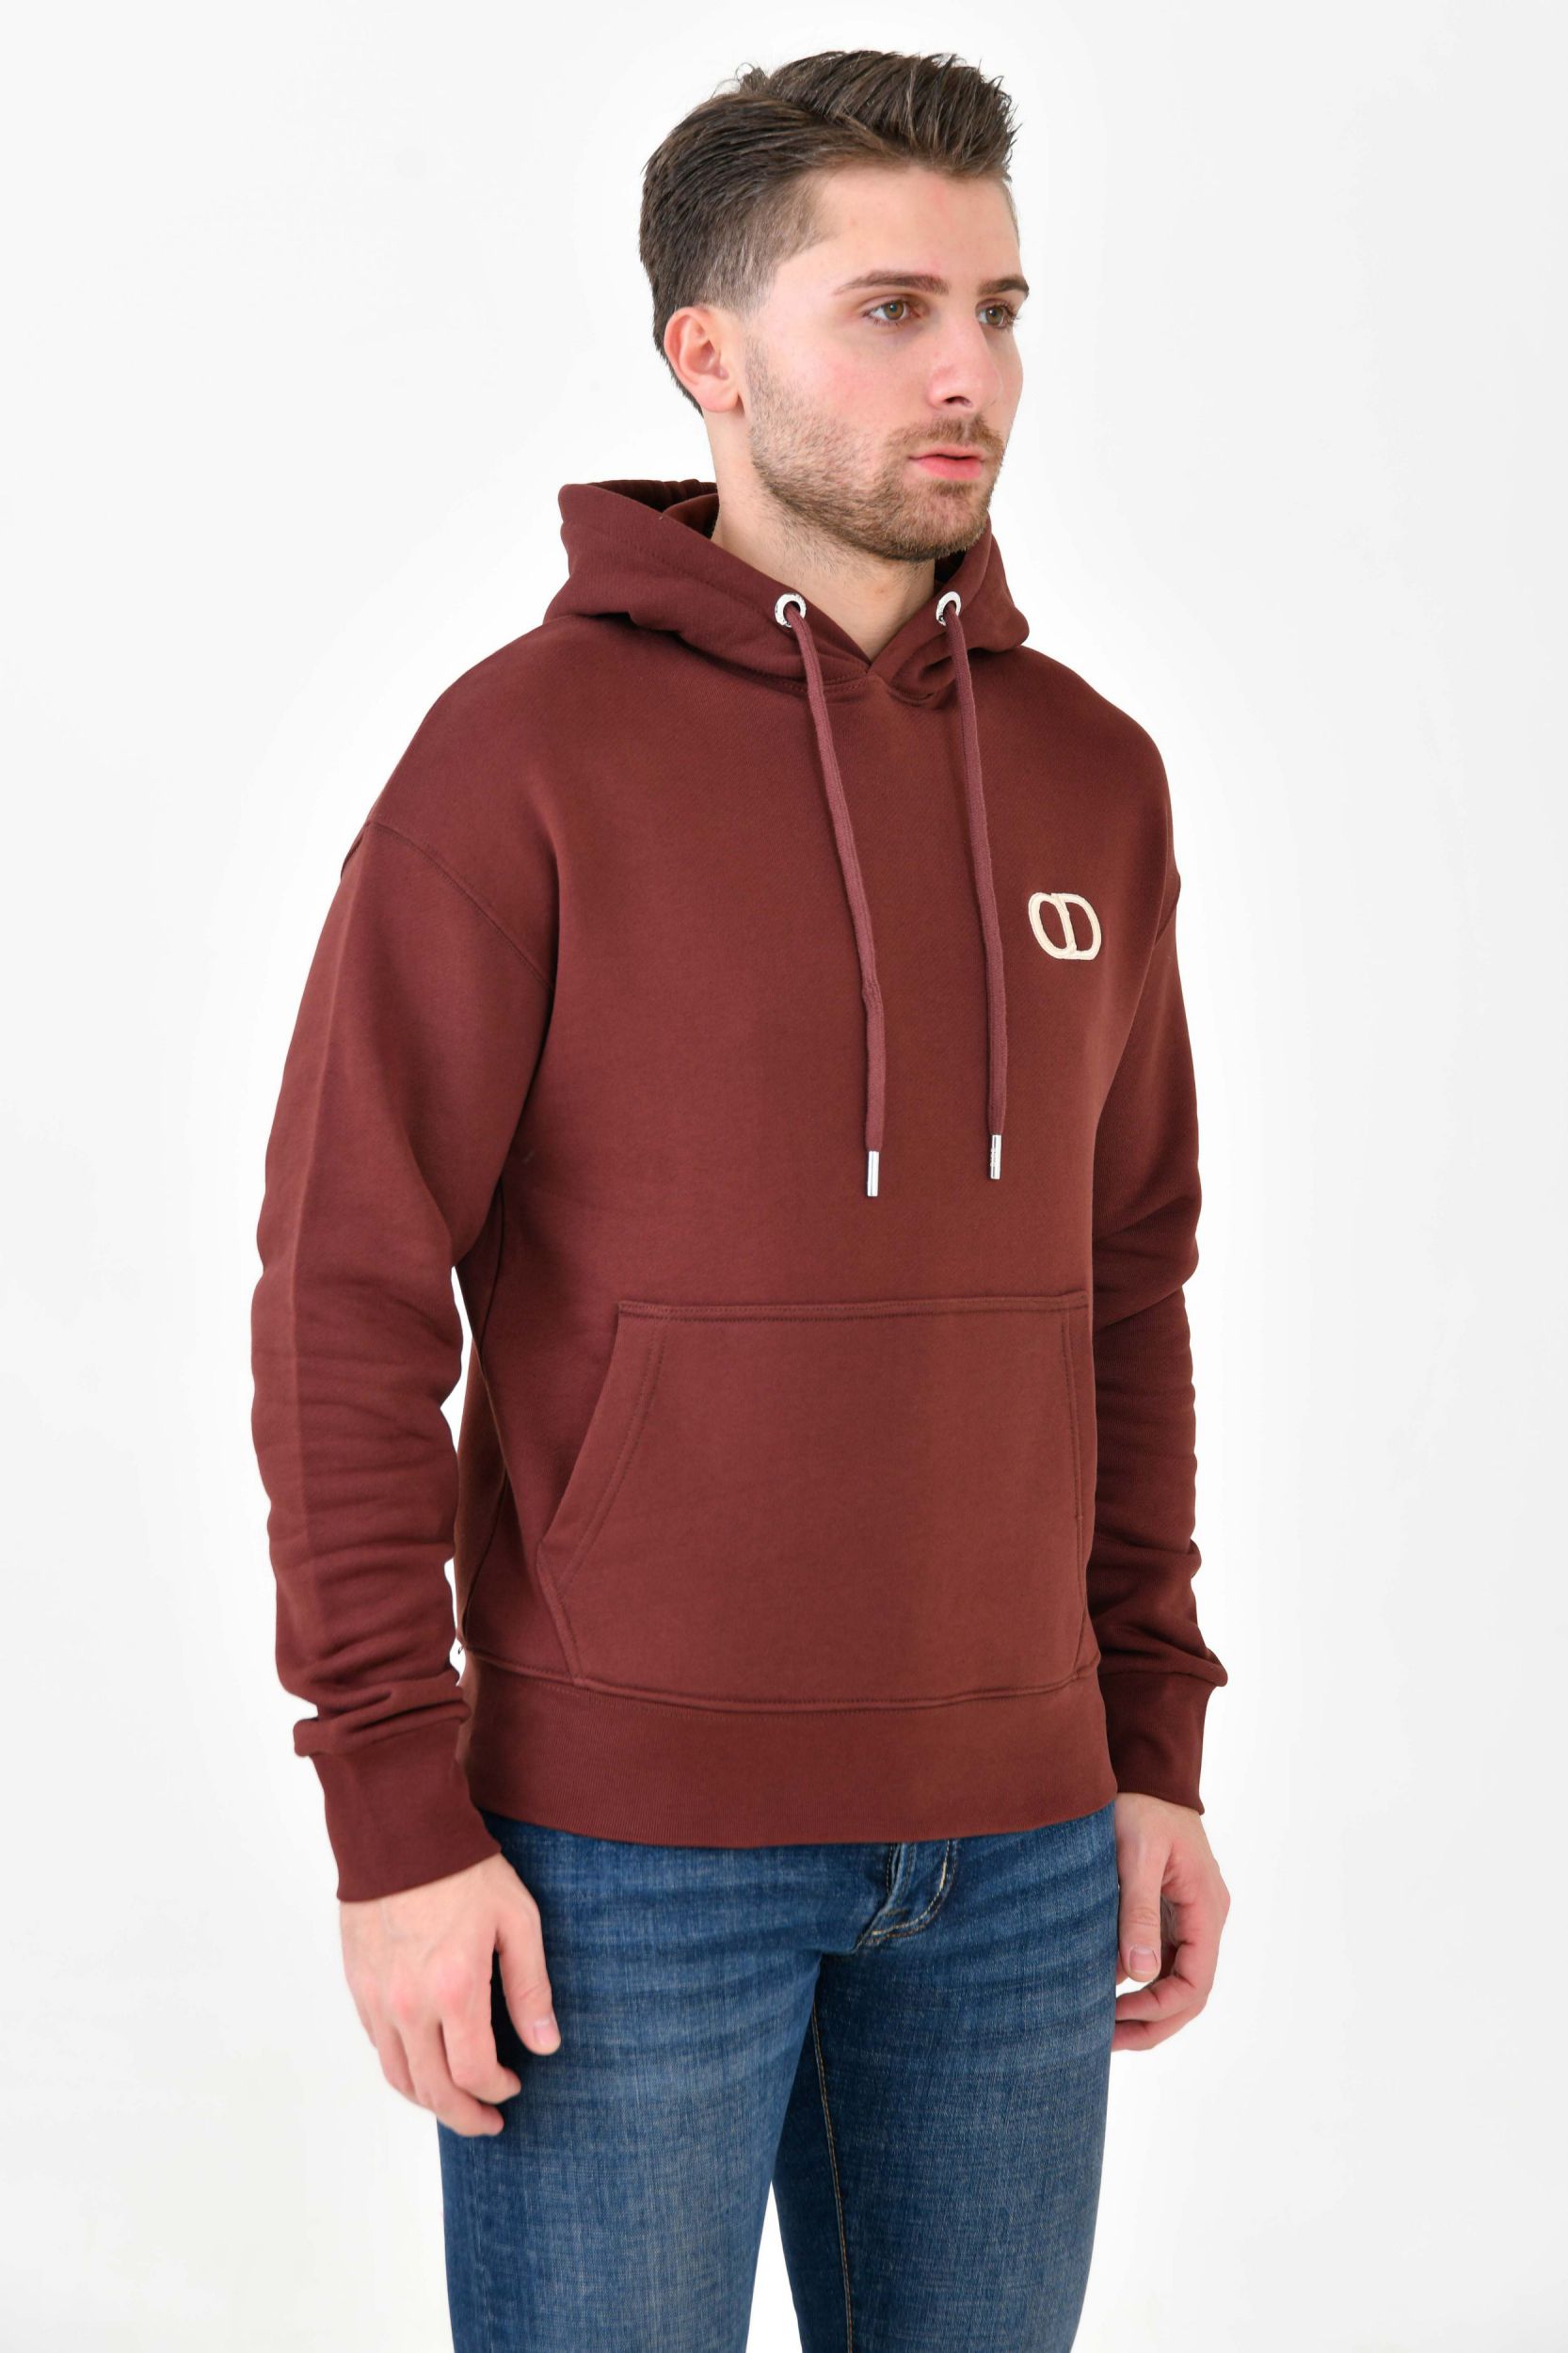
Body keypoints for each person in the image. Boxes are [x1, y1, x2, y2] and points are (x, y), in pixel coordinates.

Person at [249, 45, 1231, 2352]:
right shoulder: (516, 760)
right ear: (705, 352)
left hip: (1021, 1844)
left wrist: (1147, 1742)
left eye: (996, 308)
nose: (966, 370)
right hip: (617, 1853)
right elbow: (348, 1293)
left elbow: (1123, 1285)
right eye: (888, 308)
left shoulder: (1089, 776)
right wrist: (393, 1813)